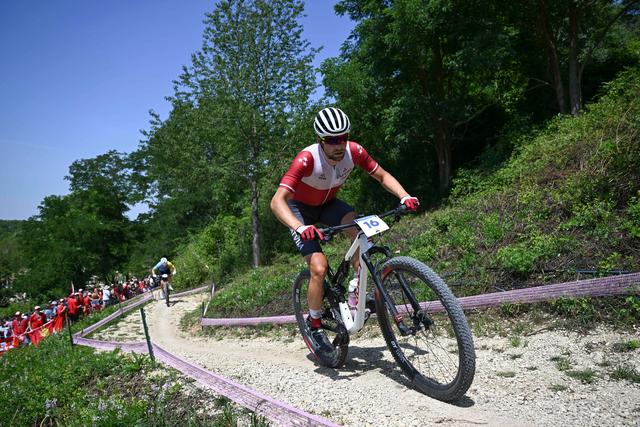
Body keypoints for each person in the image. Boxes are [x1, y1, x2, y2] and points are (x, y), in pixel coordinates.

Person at [270, 107, 419, 357]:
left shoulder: (354, 152)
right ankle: (315, 323)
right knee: (318, 267)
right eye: (332, 140)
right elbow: (277, 201)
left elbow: (381, 176)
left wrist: (405, 196)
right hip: (300, 211)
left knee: (362, 235)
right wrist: (300, 227)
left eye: (343, 137)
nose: (339, 145)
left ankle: (354, 292)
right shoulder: (306, 160)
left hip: (328, 205)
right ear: (321, 140)